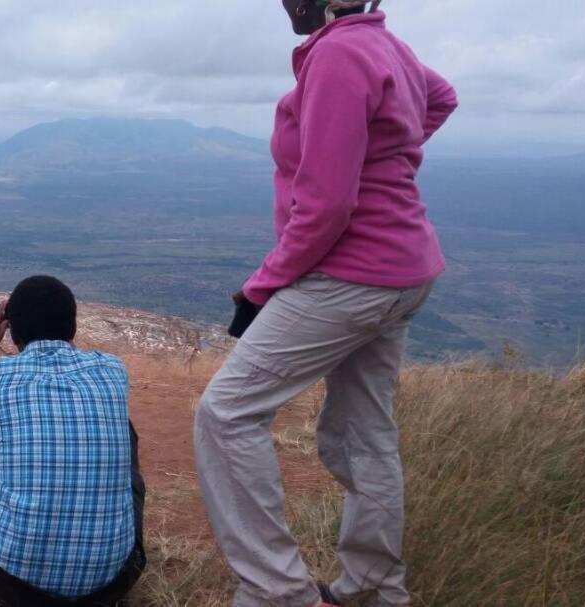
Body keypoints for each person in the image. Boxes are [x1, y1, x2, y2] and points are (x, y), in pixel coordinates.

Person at [194, 1, 457, 606]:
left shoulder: (340, 51)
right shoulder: (383, 44)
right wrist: (384, 156)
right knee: (363, 434)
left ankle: (279, 594)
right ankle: (373, 590)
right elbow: (440, 98)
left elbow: (328, 205)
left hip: (349, 275)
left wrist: (264, 282)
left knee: (226, 414)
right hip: (404, 271)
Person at [0, 276, 147, 607]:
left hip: (15, 586)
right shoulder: (113, 370)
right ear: (72, 325)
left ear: (11, 330)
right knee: (124, 433)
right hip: (113, 581)